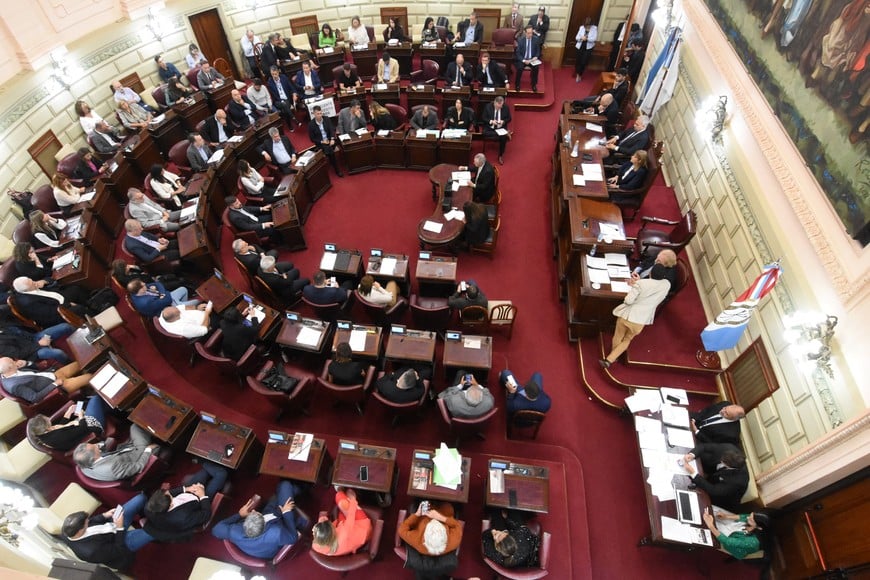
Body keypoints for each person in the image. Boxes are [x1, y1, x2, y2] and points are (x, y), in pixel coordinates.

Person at [213, 480, 308, 559]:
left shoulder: (234, 532)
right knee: (286, 485)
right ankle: (302, 487)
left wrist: (240, 515)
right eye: (256, 513)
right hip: (281, 522)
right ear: (264, 522)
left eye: (251, 514)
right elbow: (293, 538)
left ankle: (295, 487)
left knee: (284, 488)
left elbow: (216, 530)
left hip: (270, 514)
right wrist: (286, 513)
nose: (254, 510)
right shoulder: (275, 533)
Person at [600, 264, 671, 367]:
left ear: (650, 273)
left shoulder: (640, 284)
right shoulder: (667, 285)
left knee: (618, 336)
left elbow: (628, 301)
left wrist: (635, 285)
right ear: (664, 275)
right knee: (627, 339)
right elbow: (652, 288)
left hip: (628, 316)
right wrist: (638, 283)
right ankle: (610, 359)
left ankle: (613, 357)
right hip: (641, 321)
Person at [62, 494, 153, 569]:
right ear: (80, 531)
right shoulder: (92, 552)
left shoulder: (66, 530)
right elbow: (119, 549)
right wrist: (119, 528)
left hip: (112, 526)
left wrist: (105, 515)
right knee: (154, 531)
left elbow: (92, 521)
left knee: (141, 498)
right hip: (121, 543)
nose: (88, 521)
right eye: (86, 522)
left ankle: (146, 516)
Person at [143, 462, 228, 542]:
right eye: (170, 495)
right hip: (199, 501)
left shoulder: (149, 507)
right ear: (171, 504)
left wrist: (187, 489)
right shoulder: (183, 518)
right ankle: (203, 461)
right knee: (222, 473)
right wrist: (202, 495)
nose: (170, 491)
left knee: (206, 471)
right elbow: (206, 514)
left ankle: (204, 461)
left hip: (188, 491)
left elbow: (169, 493)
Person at [73, 424, 159, 482]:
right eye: (94, 447)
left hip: (124, 451)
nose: (96, 445)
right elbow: (138, 467)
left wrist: (98, 447)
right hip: (138, 455)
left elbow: (100, 452)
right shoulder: (112, 468)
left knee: (136, 428)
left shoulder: (84, 466)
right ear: (93, 457)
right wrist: (148, 450)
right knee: (136, 426)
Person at [683, 444, 750, 513]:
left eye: (723, 462)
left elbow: (713, 490)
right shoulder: (728, 447)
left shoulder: (738, 481)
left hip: (720, 498)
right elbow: (704, 446)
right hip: (713, 478)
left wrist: (693, 473)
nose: (721, 460)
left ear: (730, 466)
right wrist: (692, 455)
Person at [27, 396, 108, 452]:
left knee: (81, 403)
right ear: (46, 427)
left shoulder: (45, 434)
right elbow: (83, 428)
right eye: (47, 419)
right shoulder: (56, 437)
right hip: (91, 428)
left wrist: (69, 412)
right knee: (95, 398)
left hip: (79, 424)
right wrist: (80, 415)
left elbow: (62, 427)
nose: (48, 418)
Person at [312, 487, 373, 557]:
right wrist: (353, 499)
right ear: (333, 530)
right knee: (340, 496)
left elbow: (323, 525)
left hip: (346, 534)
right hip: (362, 528)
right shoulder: (344, 532)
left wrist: (320, 523)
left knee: (342, 509)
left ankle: (345, 491)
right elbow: (351, 515)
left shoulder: (316, 546)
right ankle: (343, 489)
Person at [0, 356, 92, 401]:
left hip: (53, 374)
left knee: (81, 362)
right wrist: (55, 384)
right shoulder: (15, 386)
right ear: (10, 367)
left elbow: (36, 369)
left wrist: (27, 363)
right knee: (90, 377)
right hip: (59, 386)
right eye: (13, 361)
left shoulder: (8, 371)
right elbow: (34, 398)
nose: (15, 361)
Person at [11, 276, 90, 327]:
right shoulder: (29, 303)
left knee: (76, 289)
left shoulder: (29, 285)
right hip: (57, 313)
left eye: (32, 281)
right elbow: (51, 312)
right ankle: (92, 319)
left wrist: (44, 281)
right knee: (78, 309)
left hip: (57, 297)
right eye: (32, 284)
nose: (35, 283)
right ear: (26, 290)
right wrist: (68, 304)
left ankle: (91, 306)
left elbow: (50, 279)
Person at [0, 315, 72, 365]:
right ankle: (72, 364)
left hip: (33, 337)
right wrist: (39, 344)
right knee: (58, 353)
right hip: (32, 353)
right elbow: (19, 354)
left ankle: (78, 341)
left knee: (65, 326)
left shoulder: (3, 325)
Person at [398, 501, 463, 556]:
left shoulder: (417, 540)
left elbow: (401, 530)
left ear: (425, 536)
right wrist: (440, 518)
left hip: (424, 515)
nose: (434, 520)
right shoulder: (453, 542)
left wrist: (417, 514)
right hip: (444, 512)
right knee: (448, 506)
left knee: (418, 501)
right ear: (446, 537)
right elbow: (458, 526)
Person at [702, 509, 771, 560]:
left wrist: (710, 526)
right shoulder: (755, 522)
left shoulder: (753, 542)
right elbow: (744, 516)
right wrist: (726, 516)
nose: (748, 517)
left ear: (759, 527)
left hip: (732, 540)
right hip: (741, 528)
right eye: (750, 515)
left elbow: (727, 541)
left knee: (708, 522)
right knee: (713, 511)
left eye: (751, 519)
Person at [128, 278, 194, 318]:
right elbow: (168, 300)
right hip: (164, 310)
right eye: (143, 285)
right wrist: (163, 293)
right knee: (196, 301)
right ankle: (183, 309)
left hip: (164, 299)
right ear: (141, 290)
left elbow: (157, 283)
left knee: (183, 289)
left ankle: (184, 310)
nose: (145, 283)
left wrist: (162, 293)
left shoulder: (135, 291)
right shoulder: (147, 302)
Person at [308, 105, 344, 177]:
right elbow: (312, 139)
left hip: (330, 140)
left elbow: (331, 129)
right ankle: (337, 169)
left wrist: (332, 139)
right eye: (318, 114)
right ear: (314, 114)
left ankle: (331, 159)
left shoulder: (326, 119)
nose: (320, 115)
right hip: (321, 143)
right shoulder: (311, 125)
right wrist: (322, 141)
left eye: (321, 113)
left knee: (335, 143)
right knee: (329, 150)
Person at [482, 96, 512, 164]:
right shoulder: (488, 107)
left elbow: (509, 118)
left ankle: (500, 155)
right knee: (484, 133)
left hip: (500, 128)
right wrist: (491, 121)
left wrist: (503, 121)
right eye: (499, 106)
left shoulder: (505, 107)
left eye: (501, 105)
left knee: (503, 137)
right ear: (495, 103)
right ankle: (506, 133)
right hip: (490, 128)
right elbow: (483, 118)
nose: (501, 107)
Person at [515, 25, 542, 92]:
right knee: (519, 68)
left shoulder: (536, 39)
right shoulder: (520, 40)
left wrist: (536, 57)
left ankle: (533, 84)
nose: (530, 35)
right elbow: (517, 53)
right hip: (523, 59)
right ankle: (517, 84)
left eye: (531, 33)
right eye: (528, 33)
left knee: (536, 68)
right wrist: (524, 60)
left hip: (532, 60)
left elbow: (538, 51)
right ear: (525, 32)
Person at [574, 17, 598, 82]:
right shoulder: (581, 27)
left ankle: (579, 74)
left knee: (583, 62)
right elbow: (576, 37)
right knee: (578, 61)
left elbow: (594, 39)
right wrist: (581, 38)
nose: (587, 27)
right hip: (580, 46)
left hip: (588, 48)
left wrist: (587, 39)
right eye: (586, 25)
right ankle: (577, 73)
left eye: (588, 25)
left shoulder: (594, 28)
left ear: (591, 24)